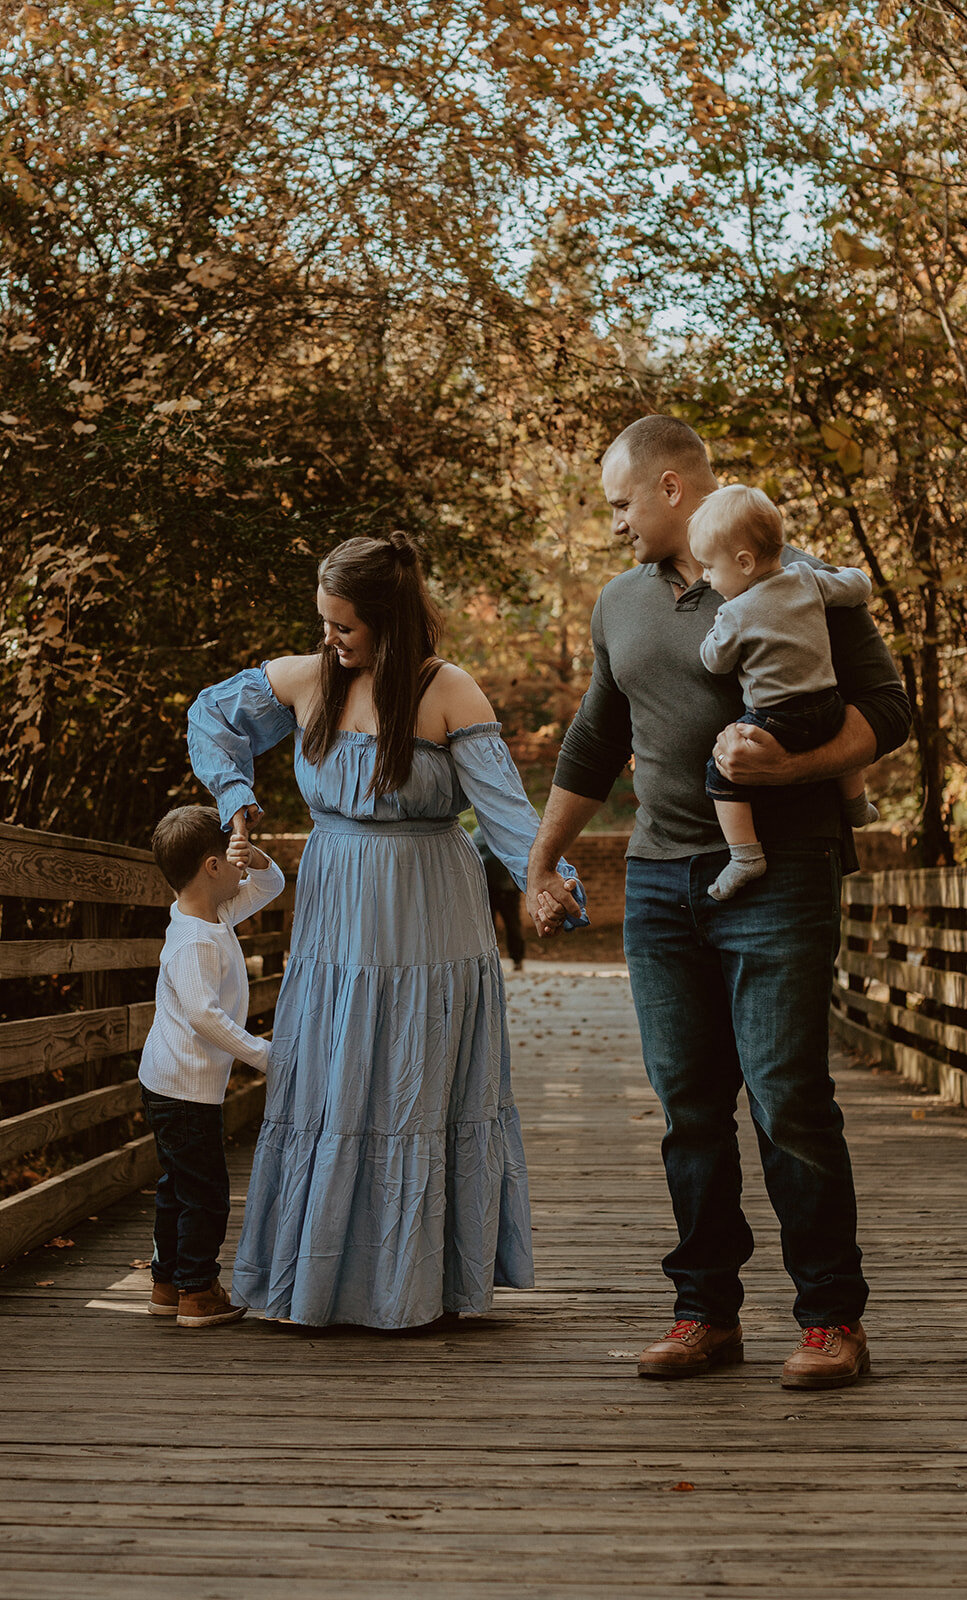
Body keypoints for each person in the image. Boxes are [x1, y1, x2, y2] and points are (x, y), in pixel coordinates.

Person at [526, 416, 910, 1389]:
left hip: (780, 872)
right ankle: (705, 1311)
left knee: (787, 1097)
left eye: (619, 503)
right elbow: (591, 745)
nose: (612, 525)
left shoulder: (795, 580)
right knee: (688, 1107)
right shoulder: (620, 604)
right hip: (661, 883)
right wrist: (539, 863)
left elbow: (888, 710)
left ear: (669, 489)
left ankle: (831, 1320)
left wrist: (798, 761)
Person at [186, 531, 585, 1331]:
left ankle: (415, 1285)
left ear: (391, 623)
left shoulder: (448, 692)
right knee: (333, 1073)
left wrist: (548, 883)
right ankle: (322, 1278)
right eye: (324, 624)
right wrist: (236, 797)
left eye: (346, 628)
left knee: (413, 1076)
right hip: (337, 909)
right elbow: (210, 715)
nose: (330, 643)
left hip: (431, 914)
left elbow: (508, 818)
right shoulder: (308, 679)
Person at [688, 483, 879, 901]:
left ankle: (745, 856)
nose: (704, 576)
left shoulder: (734, 611)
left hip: (776, 718)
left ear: (743, 562)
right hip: (827, 704)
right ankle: (857, 805)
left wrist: (714, 631)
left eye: (708, 567)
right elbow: (858, 586)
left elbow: (714, 661)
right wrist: (855, 574)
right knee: (843, 733)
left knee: (720, 773)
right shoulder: (807, 579)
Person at [139, 804, 284, 1328]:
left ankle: (165, 1282)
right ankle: (197, 1292)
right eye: (233, 853)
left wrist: (255, 853)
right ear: (212, 866)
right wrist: (263, 1056)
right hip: (182, 1090)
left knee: (178, 1186)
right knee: (206, 1195)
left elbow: (272, 885)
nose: (241, 864)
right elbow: (204, 1015)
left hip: (173, 1083)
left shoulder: (209, 915)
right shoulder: (195, 940)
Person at [472, 825, 526, 970]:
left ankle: (490, 961)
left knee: (490, 928)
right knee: (513, 924)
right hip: (507, 888)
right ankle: (517, 960)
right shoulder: (509, 831)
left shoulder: (478, 833)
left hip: (488, 888)